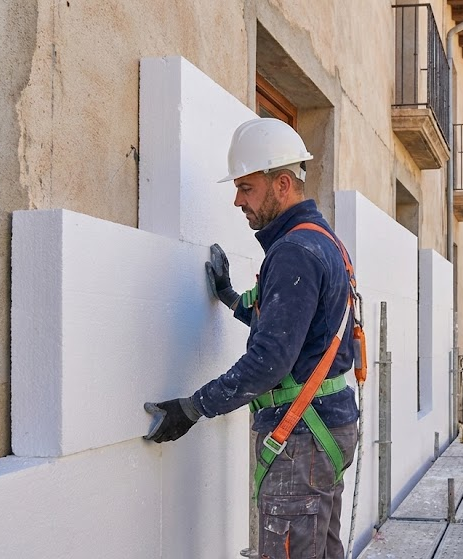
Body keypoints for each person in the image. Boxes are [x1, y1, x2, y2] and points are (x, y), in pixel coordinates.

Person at [144, 117, 360, 559]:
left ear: (282, 184)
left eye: (246, 188)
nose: (237, 200)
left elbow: (270, 360)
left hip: (303, 436)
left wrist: (193, 407)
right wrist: (228, 296)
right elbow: (294, 329)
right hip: (326, 427)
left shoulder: (294, 252)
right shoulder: (320, 241)